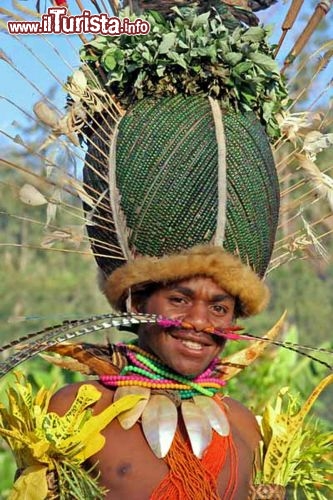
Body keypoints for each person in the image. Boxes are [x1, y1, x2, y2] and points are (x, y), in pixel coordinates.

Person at [48, 246, 273, 499]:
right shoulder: (79, 409)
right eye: (179, 300)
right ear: (137, 303)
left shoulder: (243, 425)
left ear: (232, 323)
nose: (199, 322)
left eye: (218, 309)